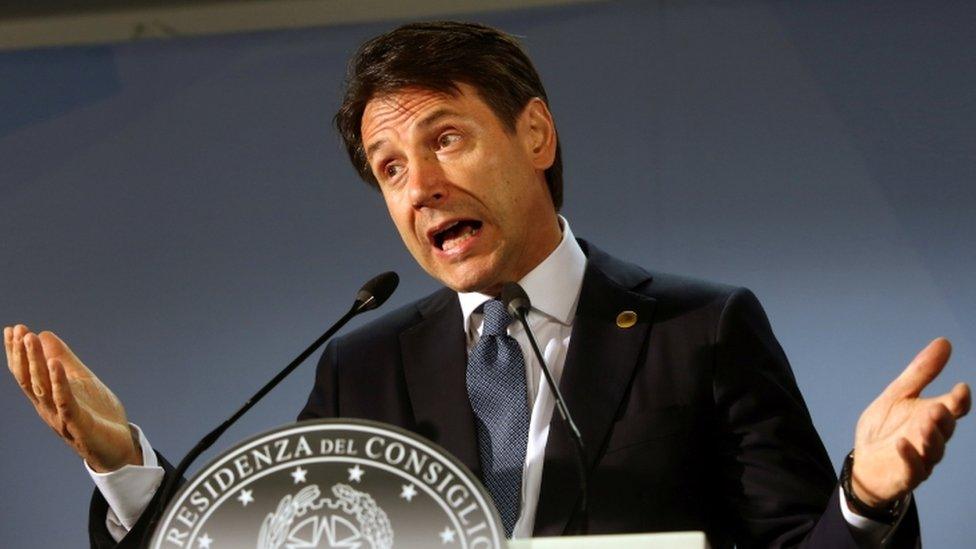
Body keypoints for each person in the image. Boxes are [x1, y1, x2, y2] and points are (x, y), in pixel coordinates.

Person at [4, 21, 971, 548]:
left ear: (536, 136)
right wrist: (124, 460)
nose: (419, 184)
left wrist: (864, 498)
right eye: (388, 168)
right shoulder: (365, 363)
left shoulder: (700, 330)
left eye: (446, 138)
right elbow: (251, 545)